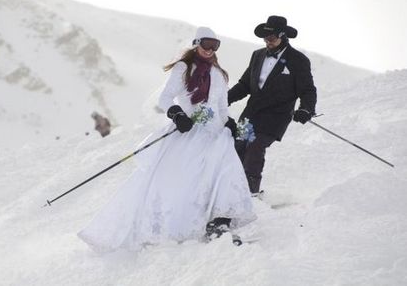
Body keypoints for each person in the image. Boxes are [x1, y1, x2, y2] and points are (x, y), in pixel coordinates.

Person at [78, 27, 255, 252]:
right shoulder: (184, 68)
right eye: (206, 44)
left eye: (215, 46)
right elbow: (165, 98)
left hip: (215, 134)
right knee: (183, 180)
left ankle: (219, 223)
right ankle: (173, 224)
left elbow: (220, 106)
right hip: (188, 132)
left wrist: (227, 121)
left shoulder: (219, 74)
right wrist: (177, 114)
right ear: (196, 43)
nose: (210, 50)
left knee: (226, 172)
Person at [228, 16, 317, 197]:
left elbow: (307, 89)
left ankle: (251, 195)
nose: (267, 42)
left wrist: (305, 109)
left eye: (272, 38)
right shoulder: (257, 55)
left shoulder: (298, 60)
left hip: (275, 116)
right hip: (251, 113)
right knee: (238, 147)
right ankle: (231, 192)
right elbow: (245, 85)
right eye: (265, 38)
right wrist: (225, 99)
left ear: (283, 36)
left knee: (254, 147)